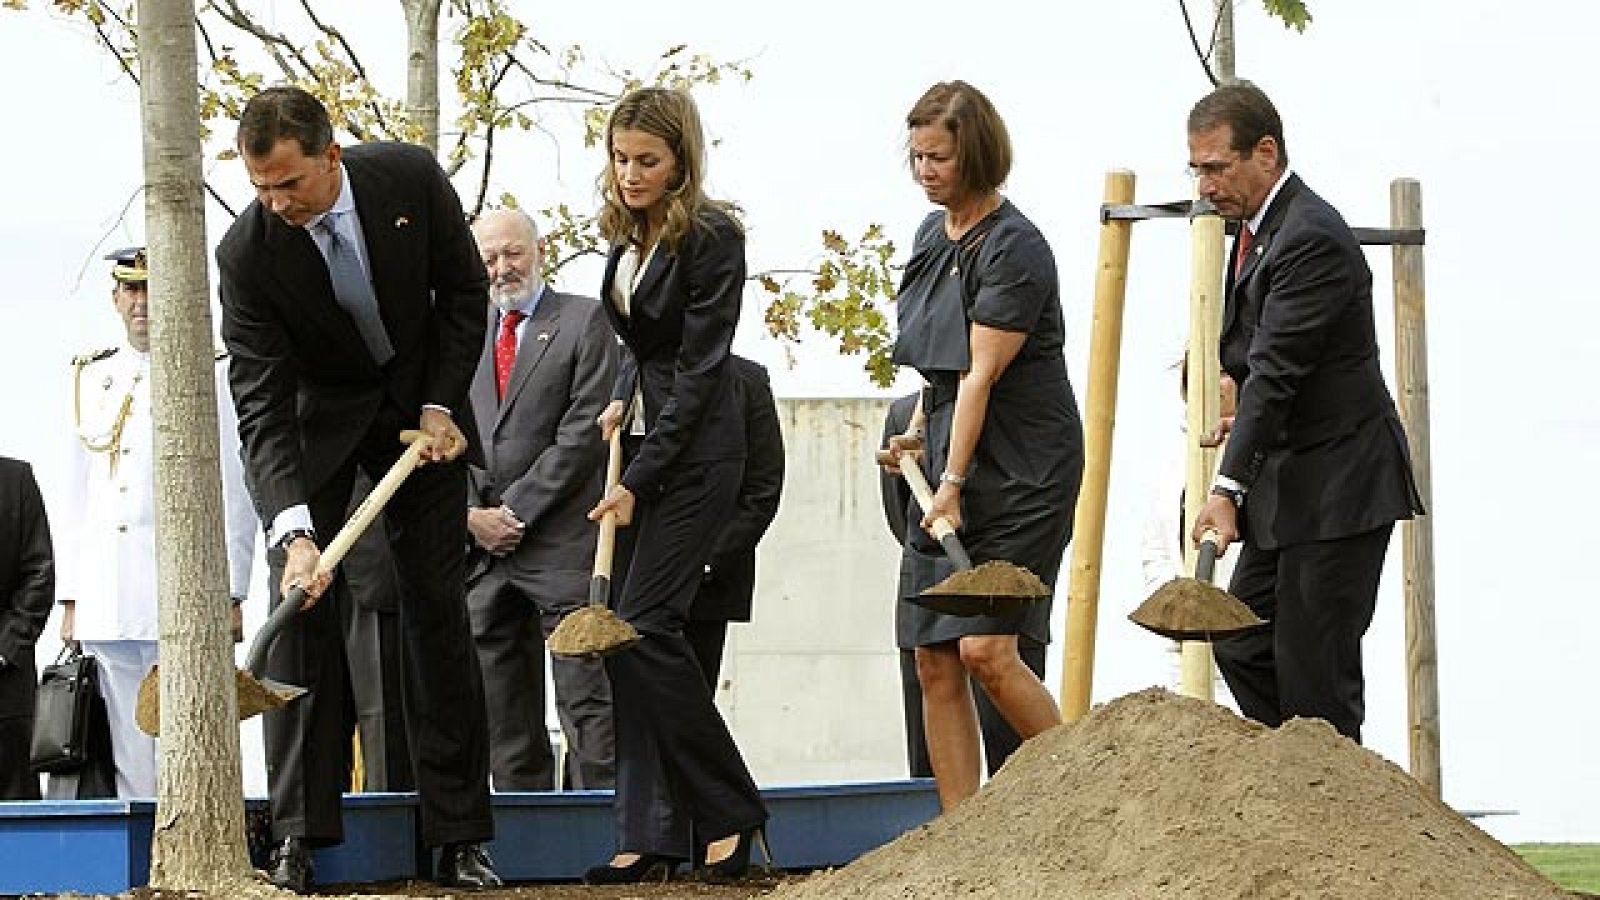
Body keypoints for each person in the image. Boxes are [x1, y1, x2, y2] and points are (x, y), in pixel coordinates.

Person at [216, 86, 499, 892]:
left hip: (419, 412)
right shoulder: (246, 256)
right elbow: (262, 404)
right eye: (260, 187)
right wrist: (293, 531)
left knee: (437, 609)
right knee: (303, 609)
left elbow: (464, 293)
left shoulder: (408, 180)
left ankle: (460, 835)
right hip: (318, 423)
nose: (274, 202)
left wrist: (443, 403)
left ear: (330, 157)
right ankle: (301, 837)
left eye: (289, 184)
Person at [1186, 81, 1424, 742]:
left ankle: (1344, 825)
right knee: (1240, 641)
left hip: (1342, 484)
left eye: (1216, 167)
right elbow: (1268, 373)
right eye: (1196, 168)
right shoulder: (1257, 233)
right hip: (1293, 480)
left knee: (1316, 677)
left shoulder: (1309, 237)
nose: (1204, 185)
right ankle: (1293, 790)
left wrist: (1226, 488)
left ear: (1265, 152)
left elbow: (1275, 374)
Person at [582, 86, 767, 885]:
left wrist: (641, 477)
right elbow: (643, 339)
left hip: (698, 457)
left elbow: (699, 366)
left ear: (682, 160)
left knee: (645, 627)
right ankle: (660, 833)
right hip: (651, 441)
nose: (630, 173)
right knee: (630, 641)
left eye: (647, 160)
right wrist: (624, 389)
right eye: (621, 158)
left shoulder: (714, 236)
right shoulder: (628, 236)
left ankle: (732, 814)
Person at [882, 81, 1084, 812]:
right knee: (933, 657)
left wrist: (953, 480)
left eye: (939, 156)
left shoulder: (1017, 248)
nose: (926, 170)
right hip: (945, 455)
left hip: (1022, 466)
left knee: (987, 650)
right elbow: (940, 370)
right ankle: (963, 827)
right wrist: (917, 432)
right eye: (917, 157)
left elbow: (979, 375)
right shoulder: (931, 239)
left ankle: (1086, 793)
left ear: (977, 155)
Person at [58, 247, 258, 800]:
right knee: (124, 744)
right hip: (108, 592)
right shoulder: (91, 376)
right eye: (132, 291)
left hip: (181, 588)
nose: (142, 303)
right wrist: (71, 597)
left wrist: (232, 587)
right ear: (116, 297)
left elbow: (234, 492)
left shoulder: (212, 376)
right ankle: (142, 853)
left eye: (153, 290)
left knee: (189, 735)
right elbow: (76, 498)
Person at [465, 207, 619, 791]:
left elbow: (584, 432)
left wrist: (516, 511)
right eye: (489, 259)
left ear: (540, 248)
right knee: (503, 718)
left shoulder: (586, 321)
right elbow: (440, 432)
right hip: (484, 557)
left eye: (512, 253)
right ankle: (525, 842)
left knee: (588, 708)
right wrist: (472, 516)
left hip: (562, 549)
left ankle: (600, 842)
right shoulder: (462, 329)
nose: (502, 269)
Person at [879, 393, 1047, 779]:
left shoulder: (1023, 412)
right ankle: (951, 825)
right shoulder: (906, 414)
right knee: (934, 669)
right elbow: (900, 511)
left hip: (1002, 558)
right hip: (937, 555)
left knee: (1000, 693)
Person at [1138, 363, 1237, 706]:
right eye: (1197, 371)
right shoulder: (1173, 465)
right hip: (1182, 652)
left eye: (1224, 372)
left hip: (1241, 646)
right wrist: (1175, 611)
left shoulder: (1260, 460)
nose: (1211, 382)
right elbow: (1155, 551)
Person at [684, 355, 784, 690]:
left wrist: (711, 559)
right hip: (626, 576)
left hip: (704, 584)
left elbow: (763, 484)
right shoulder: (622, 372)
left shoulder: (747, 380)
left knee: (691, 708)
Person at [0, 456, 53, 801]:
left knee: (15, 821)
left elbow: (39, 572)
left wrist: (6, 649)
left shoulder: (15, 479)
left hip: (6, 686)